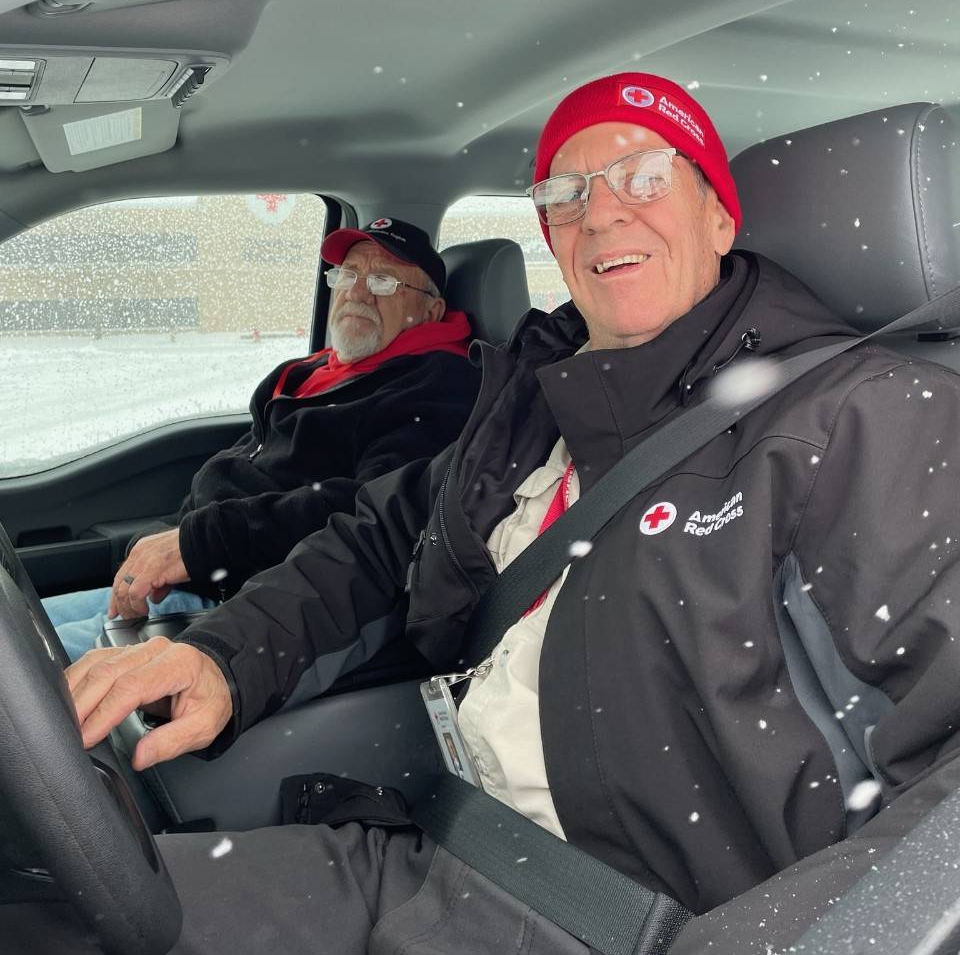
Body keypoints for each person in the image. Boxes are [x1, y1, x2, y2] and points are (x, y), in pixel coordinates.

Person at [58, 72, 960, 955]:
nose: (603, 212)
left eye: (645, 175)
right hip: (431, 857)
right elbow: (378, 543)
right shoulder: (534, 399)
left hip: (640, 924)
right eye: (566, 194)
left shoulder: (869, 418)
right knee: (60, 911)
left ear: (718, 215)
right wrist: (222, 656)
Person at [44, 218, 480, 661]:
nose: (357, 291)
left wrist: (200, 542)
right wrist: (170, 535)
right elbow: (241, 463)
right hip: (198, 576)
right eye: (347, 274)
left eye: (384, 280)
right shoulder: (311, 373)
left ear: (430, 310)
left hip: (243, 607)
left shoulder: (437, 386)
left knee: (22, 674)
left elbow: (373, 512)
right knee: (24, 624)